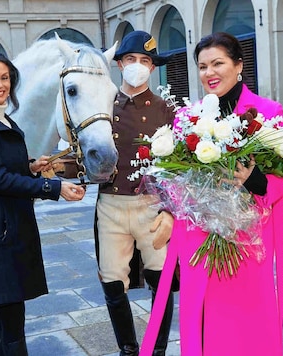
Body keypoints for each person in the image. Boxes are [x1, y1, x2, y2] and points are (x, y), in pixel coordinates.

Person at [141, 32, 283, 356]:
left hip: (248, 238)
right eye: (202, 66)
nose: (209, 73)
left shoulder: (267, 111)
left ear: (238, 65)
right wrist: (170, 208)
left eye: (217, 63)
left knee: (249, 320)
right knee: (203, 321)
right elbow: (173, 177)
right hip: (199, 236)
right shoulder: (188, 117)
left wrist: (256, 179)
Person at [0, 50, 86, 355]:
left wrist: (31, 166)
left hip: (8, 224)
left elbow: (0, 167)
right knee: (11, 322)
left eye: (5, 78)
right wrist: (54, 187)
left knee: (12, 320)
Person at [95, 30, 176, 356]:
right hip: (111, 204)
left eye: (145, 61)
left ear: (153, 68)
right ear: (119, 64)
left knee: (161, 282)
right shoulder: (103, 105)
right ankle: (128, 349)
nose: (138, 66)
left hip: (151, 204)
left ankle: (157, 350)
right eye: (131, 59)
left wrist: (171, 209)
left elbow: (177, 167)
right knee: (113, 282)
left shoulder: (165, 109)